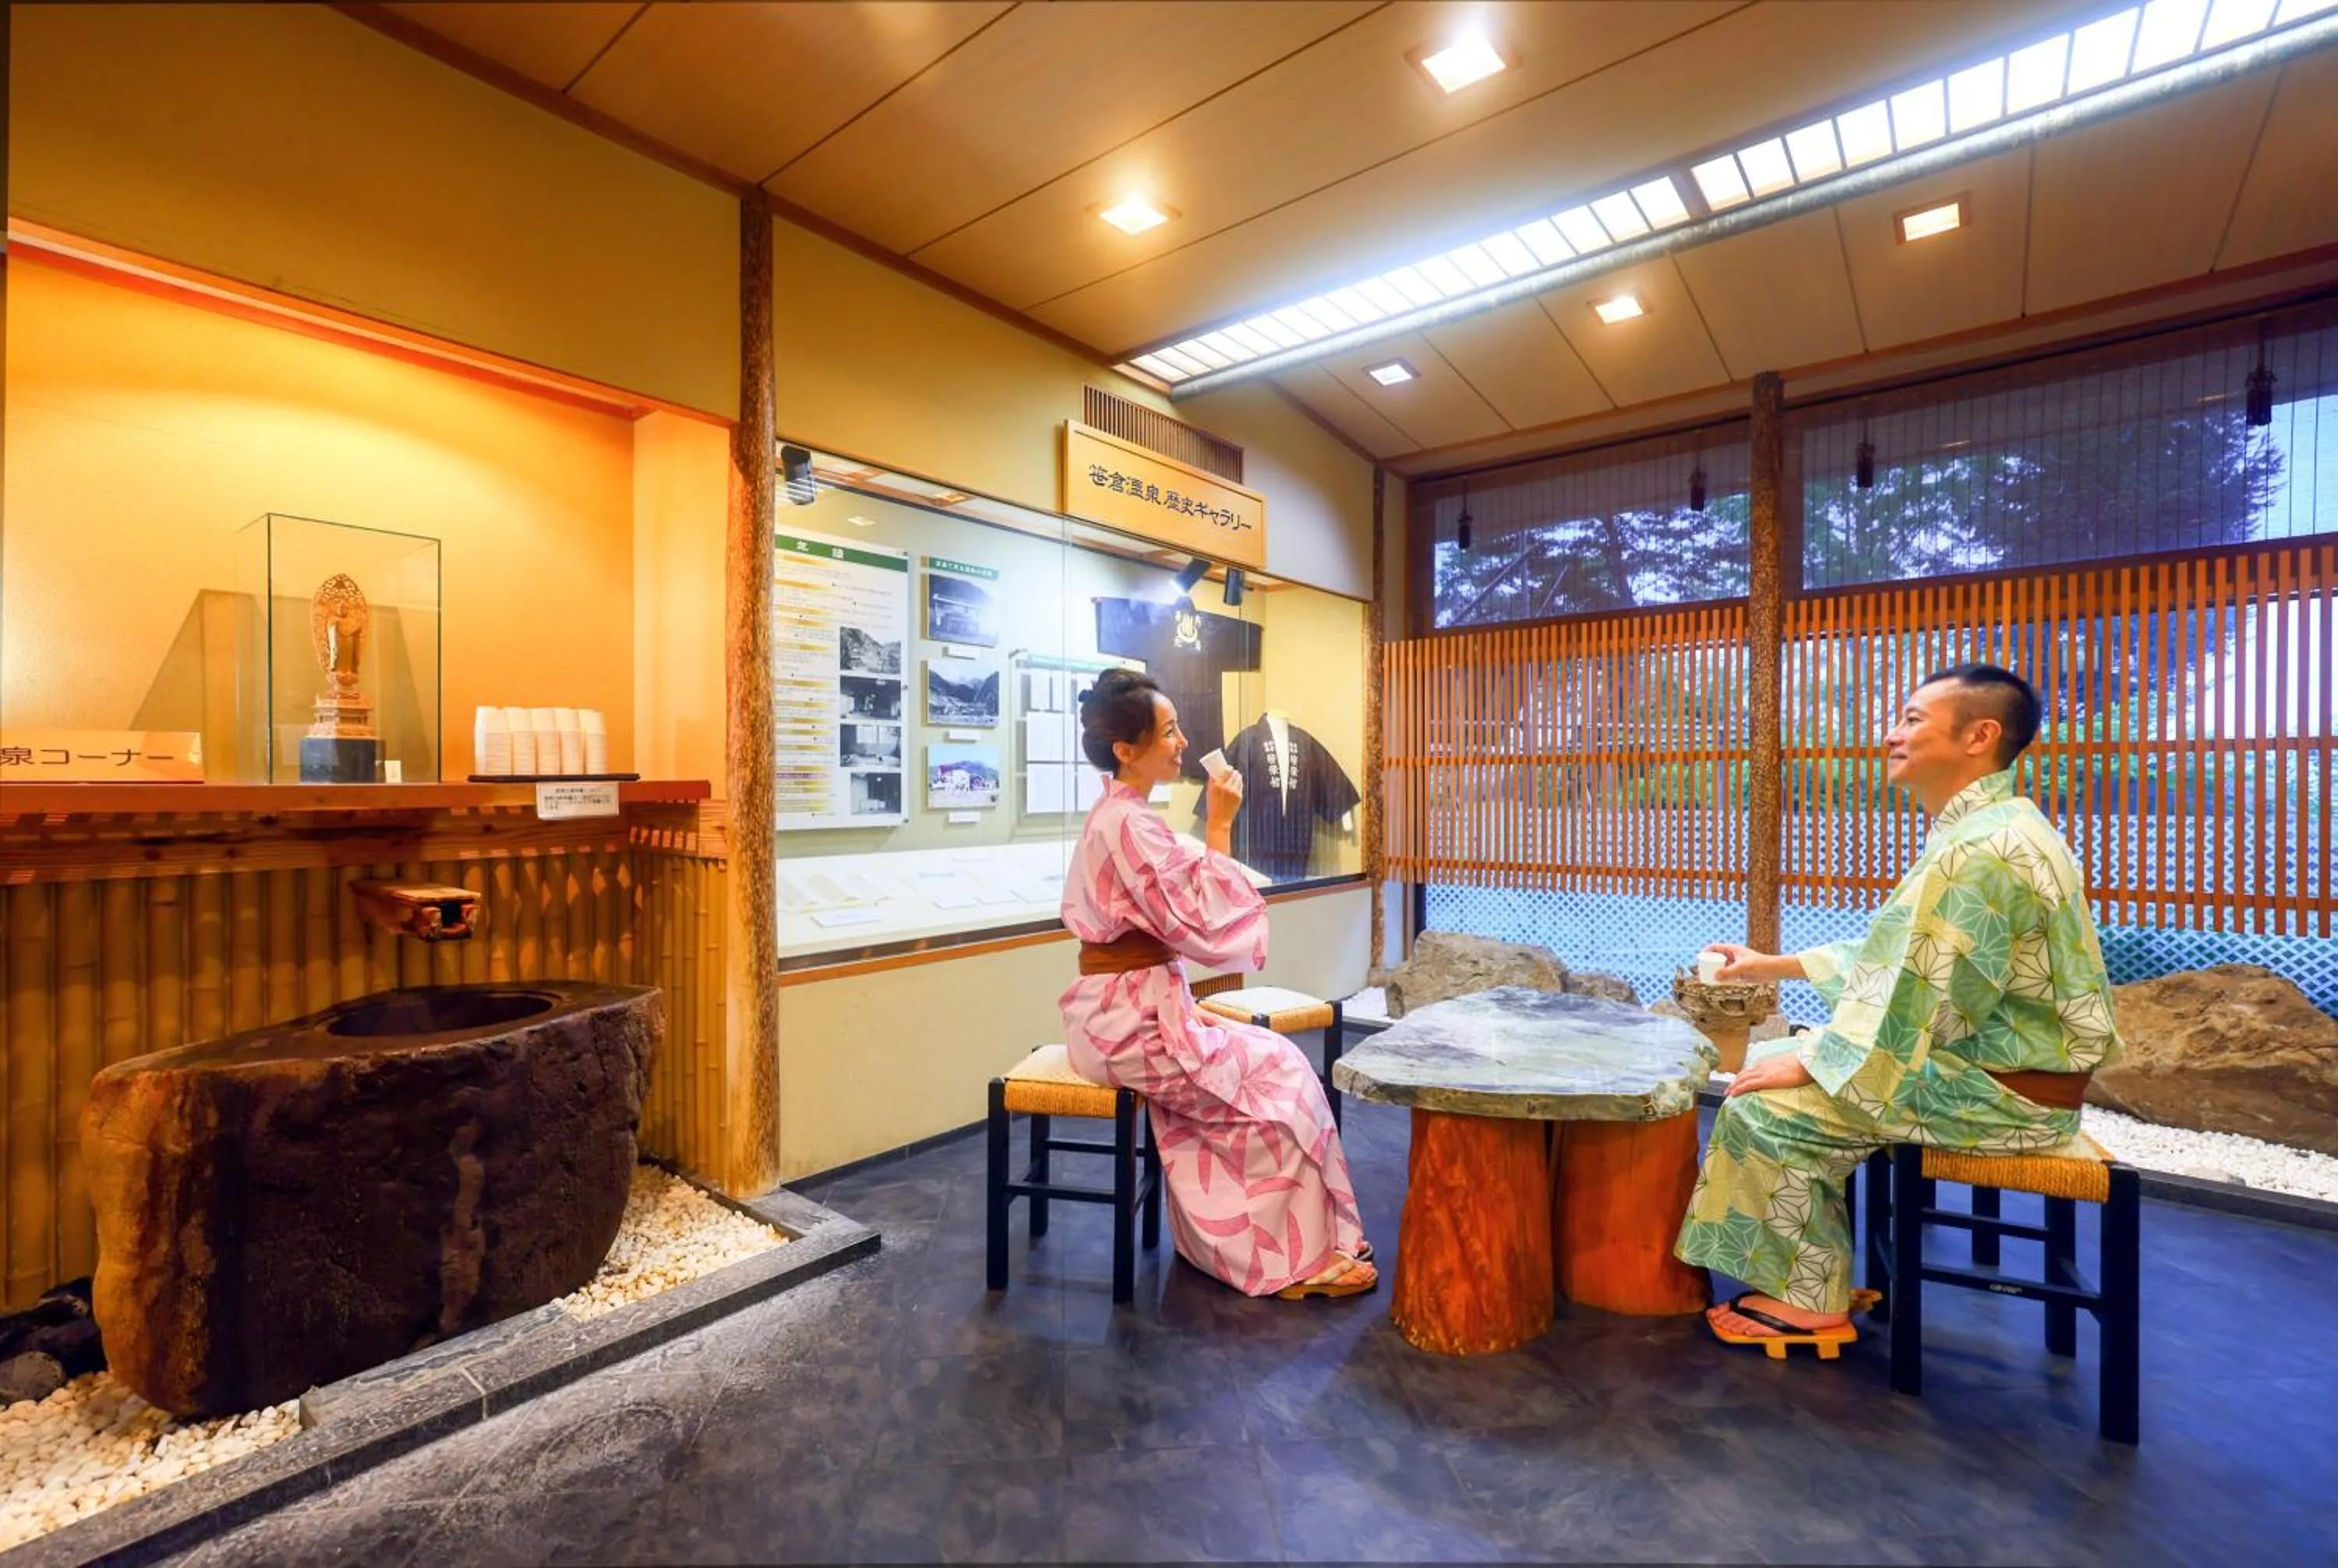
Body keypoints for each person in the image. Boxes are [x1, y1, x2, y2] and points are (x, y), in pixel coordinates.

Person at [1675, 663, 2123, 1352]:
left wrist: (1818, 1060)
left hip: (2004, 1097)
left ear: (1980, 734)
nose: (1892, 734)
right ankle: (1815, 1265)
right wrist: (1773, 966)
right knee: (1769, 1063)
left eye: (1913, 719)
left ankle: (1809, 1298)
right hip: (1992, 1070)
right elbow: (1906, 957)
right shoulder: (1995, 828)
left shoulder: (1987, 849)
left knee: (1761, 1107)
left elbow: (1934, 1003)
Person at [1059, 668, 1376, 1299]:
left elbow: (1185, 910)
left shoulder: (1124, 817)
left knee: (1280, 1059)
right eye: (1170, 731)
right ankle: (1284, 1260)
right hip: (1133, 1026)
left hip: (1129, 1011)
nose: (1183, 742)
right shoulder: (1128, 825)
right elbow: (1203, 922)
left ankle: (1301, 1237)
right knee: (1277, 1097)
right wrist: (1223, 826)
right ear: (1127, 751)